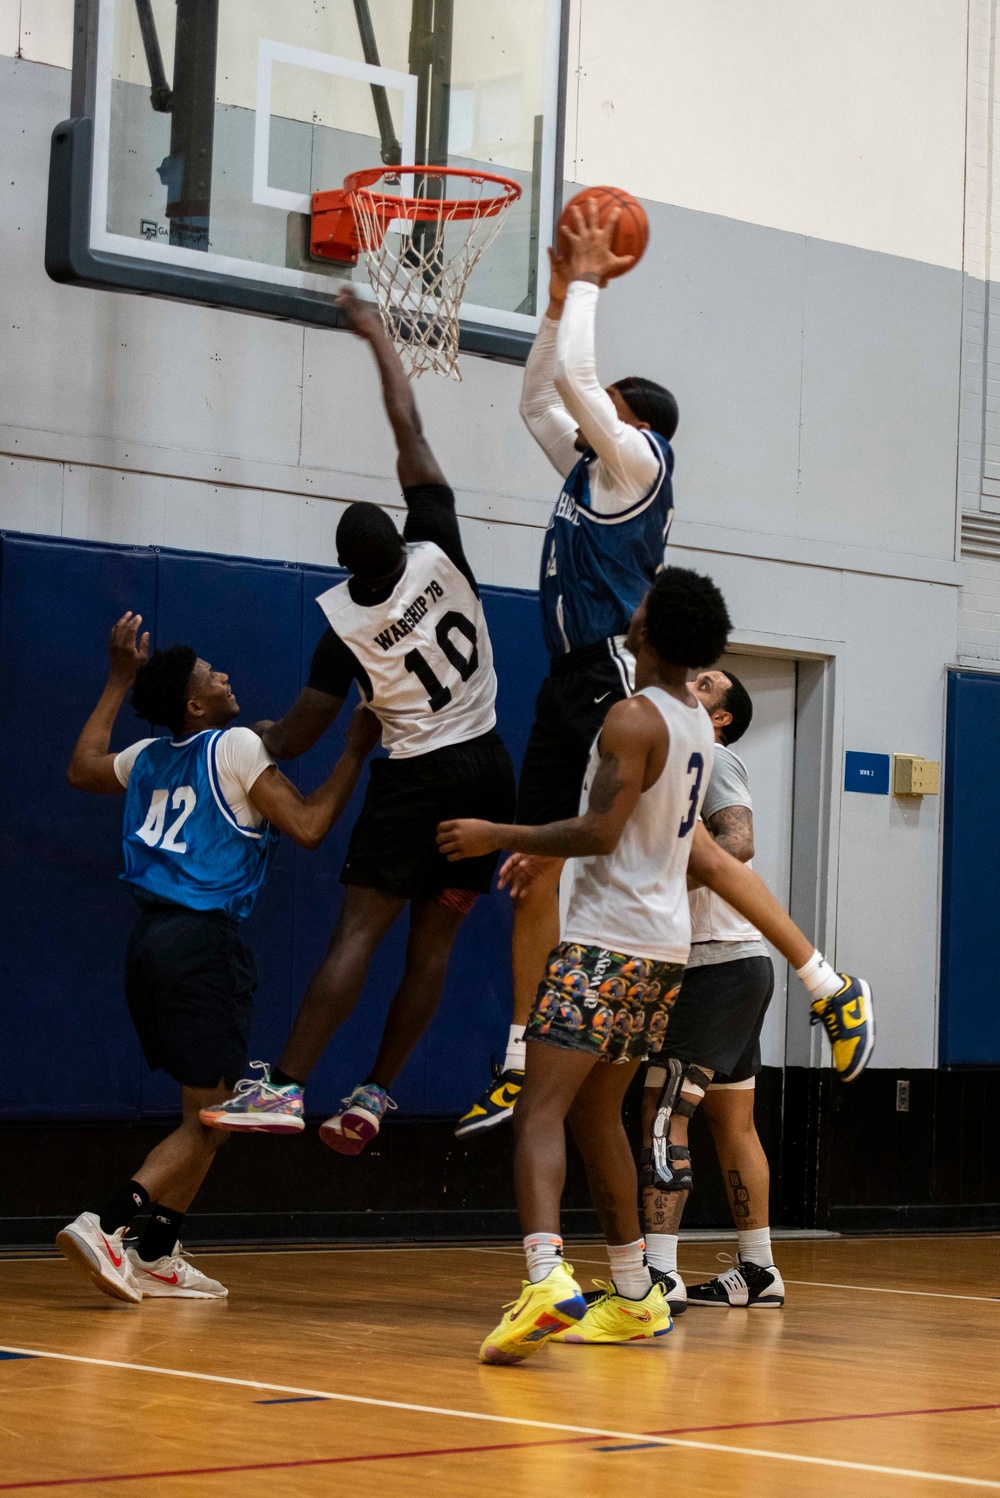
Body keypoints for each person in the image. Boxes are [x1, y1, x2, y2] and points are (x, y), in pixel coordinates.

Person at [437, 569, 875, 1364]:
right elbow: (689, 849)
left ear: (649, 634)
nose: (628, 611)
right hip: (666, 958)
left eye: (639, 609)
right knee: (598, 1116)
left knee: (539, 1110)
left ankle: (544, 1276)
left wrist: (504, 834)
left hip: (605, 943)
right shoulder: (695, 725)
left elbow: (601, 833)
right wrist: (813, 968)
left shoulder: (632, 716)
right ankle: (638, 1296)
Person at [202, 287, 516, 1153]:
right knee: (433, 945)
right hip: (490, 768)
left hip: (417, 779)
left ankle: (286, 1086)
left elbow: (299, 734)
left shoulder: (346, 627)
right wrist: (379, 334)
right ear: (403, 535)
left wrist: (235, 738)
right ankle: (377, 1093)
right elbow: (408, 427)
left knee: (360, 932)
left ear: (345, 566)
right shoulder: (442, 545)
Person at [57, 612, 379, 1304]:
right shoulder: (231, 746)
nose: (226, 675)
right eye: (212, 674)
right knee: (210, 1120)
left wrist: (117, 682)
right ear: (196, 705)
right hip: (201, 949)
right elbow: (311, 827)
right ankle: (108, 1221)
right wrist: (354, 749)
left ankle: (158, 1248)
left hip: (148, 949)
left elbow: (82, 767)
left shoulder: (147, 757)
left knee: (216, 1112)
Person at [456, 201, 680, 1139]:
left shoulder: (638, 463)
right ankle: (518, 1050)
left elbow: (580, 387)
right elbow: (539, 398)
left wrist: (588, 279)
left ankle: (648, 1029)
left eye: (611, 413)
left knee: (603, 846)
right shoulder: (587, 470)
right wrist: (553, 306)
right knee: (529, 861)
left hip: (605, 681)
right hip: (562, 677)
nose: (597, 419)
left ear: (631, 425)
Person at [639, 668, 785, 1312]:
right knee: (734, 1124)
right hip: (741, 964)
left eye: (706, 684)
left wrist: (657, 885)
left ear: (720, 715)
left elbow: (739, 842)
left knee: (663, 1111)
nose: (690, 684)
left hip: (713, 965)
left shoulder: (715, 756)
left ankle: (658, 1276)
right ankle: (758, 1268)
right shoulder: (676, 760)